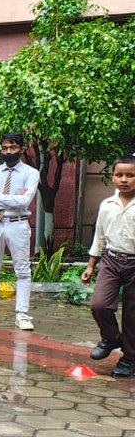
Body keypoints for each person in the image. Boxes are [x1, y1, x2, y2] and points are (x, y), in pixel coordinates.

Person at [82, 154, 135, 377]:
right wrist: (91, 265)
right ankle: (111, 337)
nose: (124, 179)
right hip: (111, 261)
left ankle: (129, 359)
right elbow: (99, 237)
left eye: (130, 175)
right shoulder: (106, 205)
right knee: (99, 304)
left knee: (132, 314)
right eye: (119, 175)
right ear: (112, 177)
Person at [0, 133, 40, 331]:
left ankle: (22, 314)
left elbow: (25, 201)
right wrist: (13, 198)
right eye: (4, 148)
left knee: (22, 270)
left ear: (21, 149)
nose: (8, 152)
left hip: (17, 224)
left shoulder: (31, 173)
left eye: (12, 148)